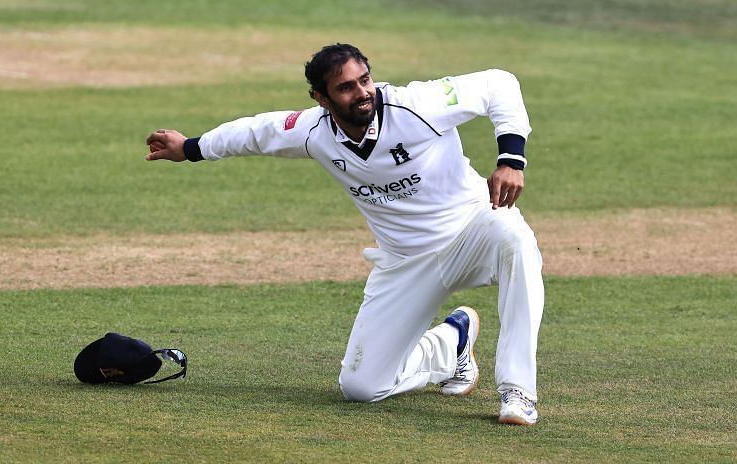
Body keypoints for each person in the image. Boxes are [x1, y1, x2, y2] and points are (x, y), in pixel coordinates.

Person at [145, 43, 545, 426]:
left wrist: (511, 158)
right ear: (321, 98)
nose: (362, 93)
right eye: (346, 87)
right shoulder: (312, 131)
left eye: (365, 80)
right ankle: (449, 346)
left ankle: (517, 391)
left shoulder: (417, 104)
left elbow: (499, 83)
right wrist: (190, 148)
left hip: (472, 233)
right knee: (361, 387)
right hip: (405, 262)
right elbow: (255, 132)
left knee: (513, 235)